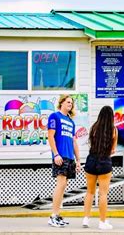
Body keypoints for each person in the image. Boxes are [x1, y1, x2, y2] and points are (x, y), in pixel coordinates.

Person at [47, 94, 81, 228]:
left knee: (64, 186)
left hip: (69, 158)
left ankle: (57, 214)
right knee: (60, 184)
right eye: (68, 102)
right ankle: (53, 216)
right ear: (61, 103)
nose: (70, 104)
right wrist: (56, 154)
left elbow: (74, 141)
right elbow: (50, 136)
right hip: (60, 156)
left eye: (71, 103)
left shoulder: (71, 121)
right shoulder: (54, 116)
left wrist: (78, 160)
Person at [82, 105, 118, 230]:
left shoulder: (94, 127)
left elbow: (91, 143)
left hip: (91, 160)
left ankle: (85, 219)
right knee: (103, 194)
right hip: (104, 162)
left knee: (89, 192)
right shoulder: (114, 130)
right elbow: (113, 150)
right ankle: (102, 222)